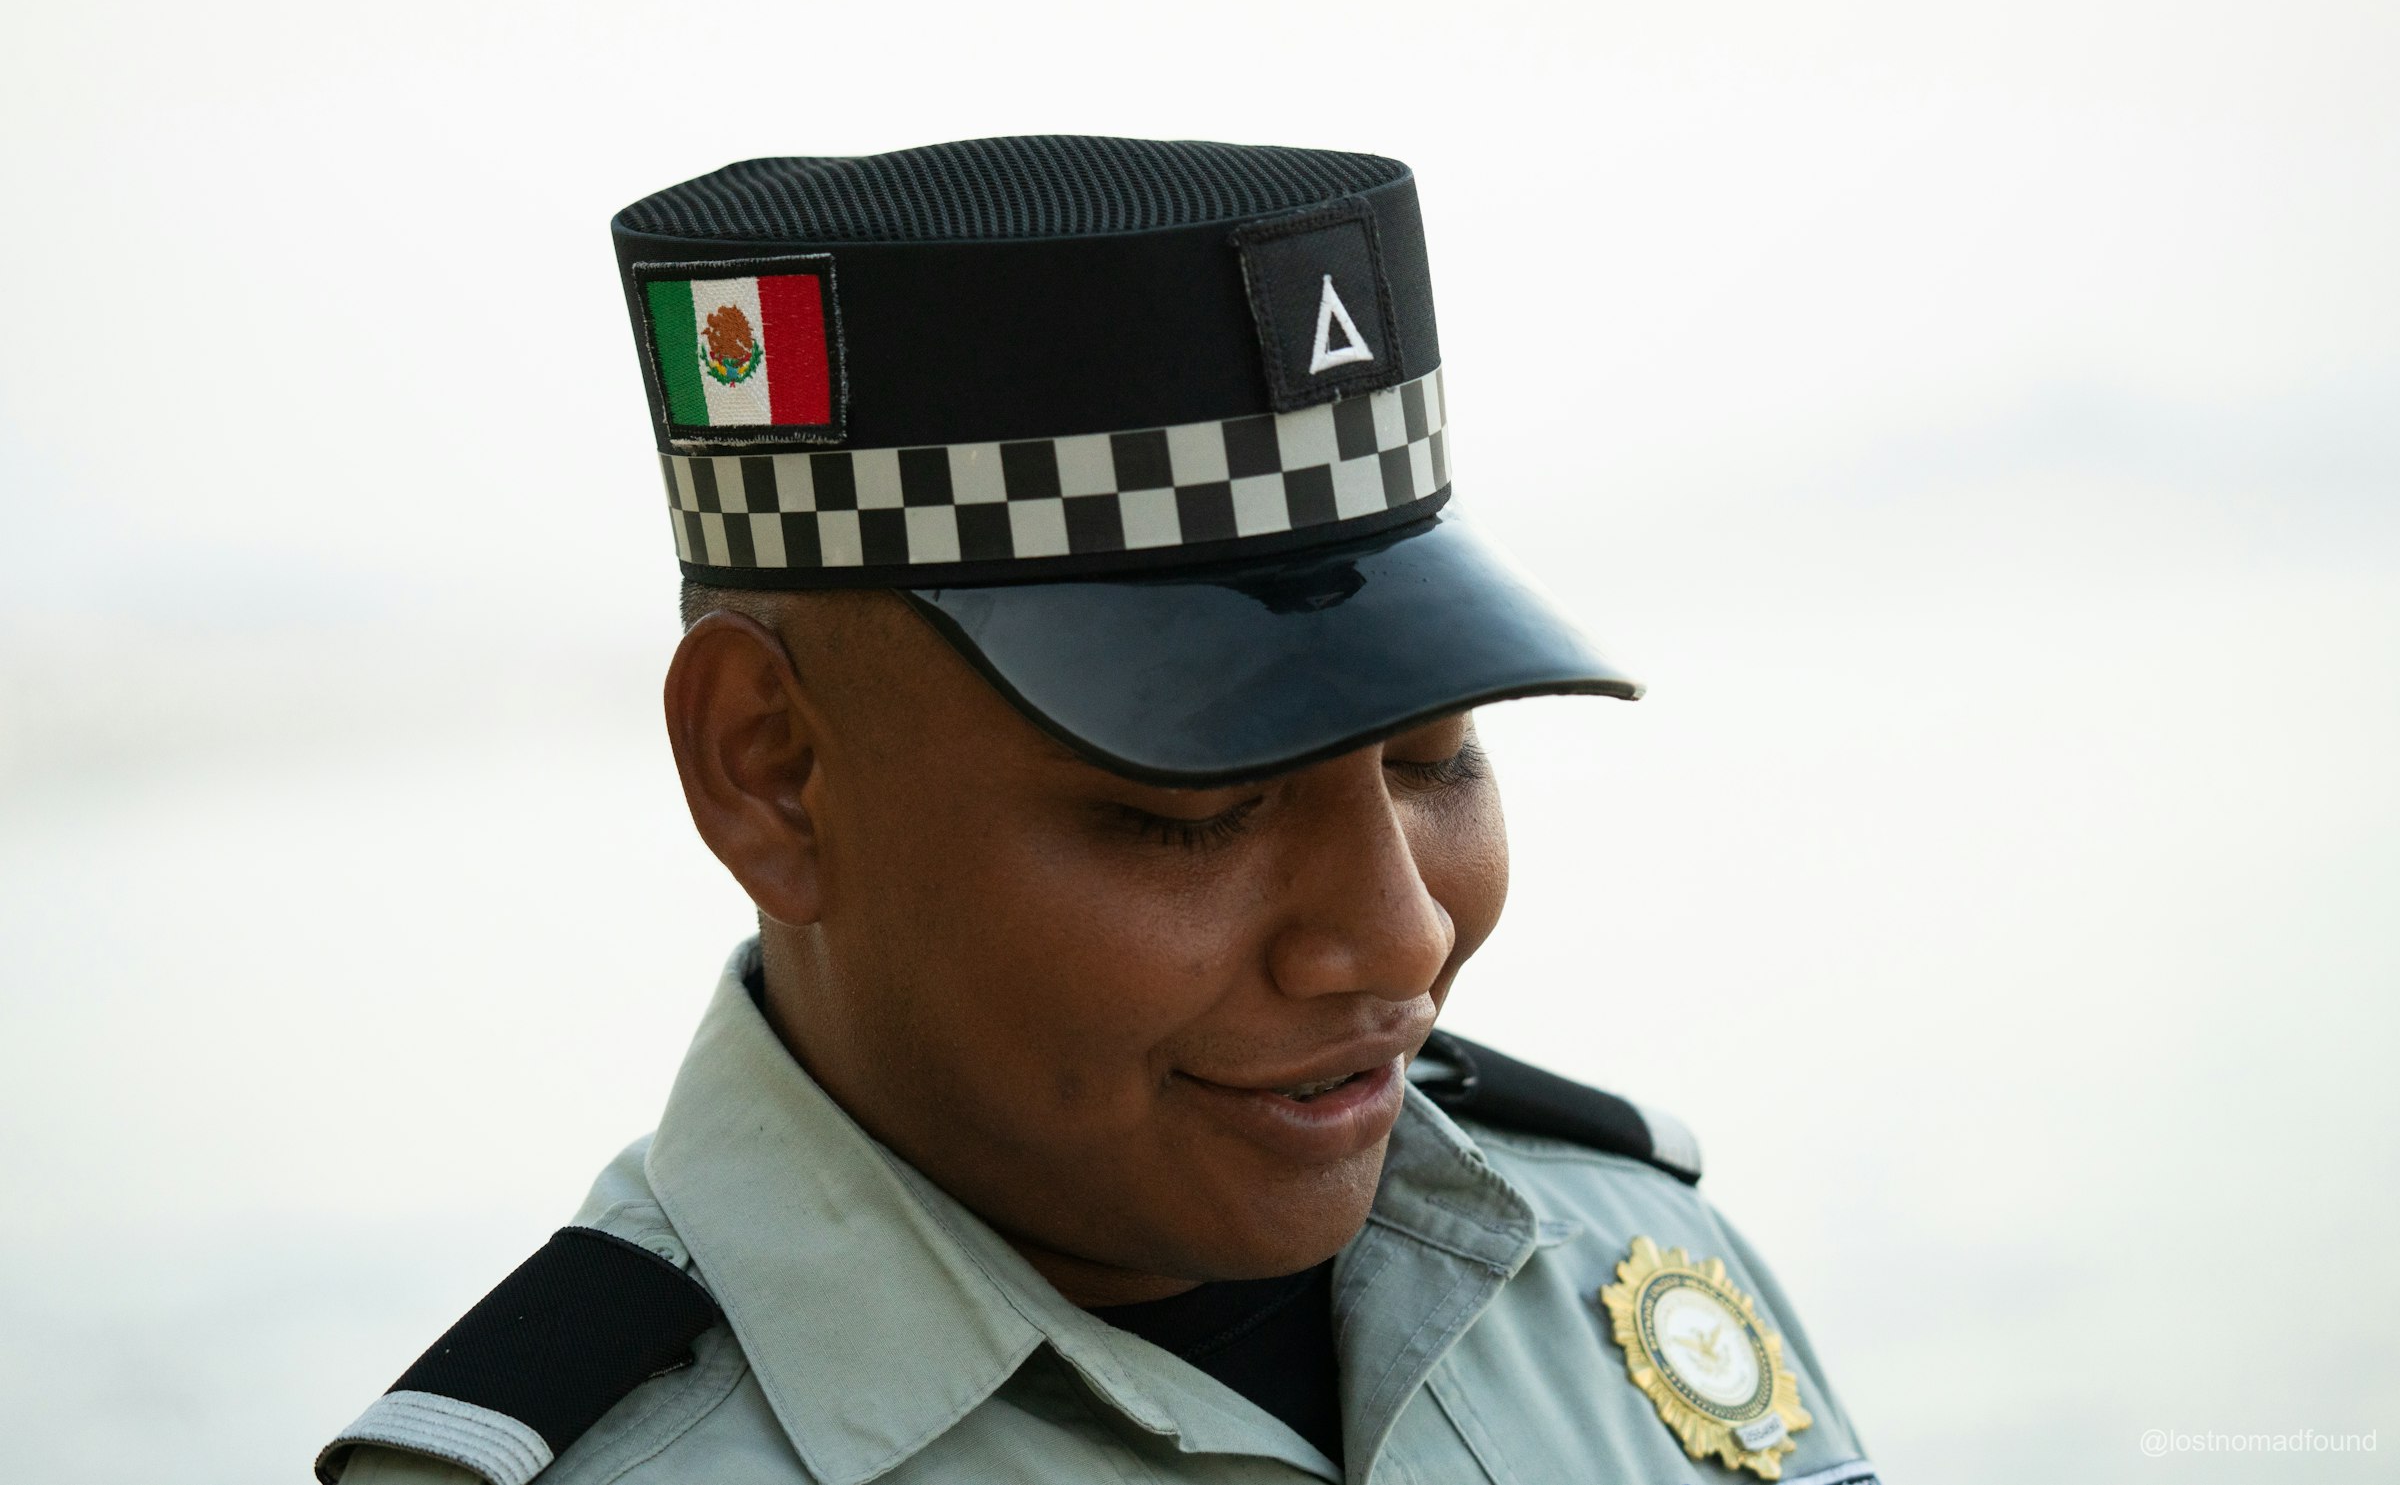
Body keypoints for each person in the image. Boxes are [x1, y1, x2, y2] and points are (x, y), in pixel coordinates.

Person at [318, 136, 1881, 1485]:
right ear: (772, 771)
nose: (1398, 927)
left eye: (1434, 756)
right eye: (1201, 803)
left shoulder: (1623, 1266)